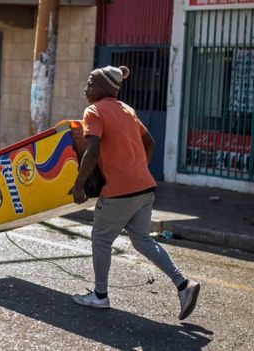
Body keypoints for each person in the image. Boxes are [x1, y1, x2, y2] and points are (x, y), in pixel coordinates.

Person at [69, 65, 200, 320]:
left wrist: (78, 185)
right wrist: (136, 168)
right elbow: (150, 141)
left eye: (91, 82)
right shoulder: (127, 110)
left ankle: (100, 295)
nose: (86, 87)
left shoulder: (94, 111)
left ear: (105, 88)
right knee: (142, 240)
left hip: (120, 191)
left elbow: (92, 151)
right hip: (144, 186)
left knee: (101, 240)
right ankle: (184, 285)